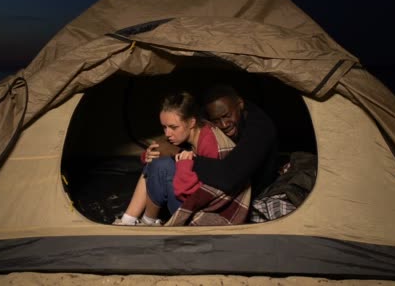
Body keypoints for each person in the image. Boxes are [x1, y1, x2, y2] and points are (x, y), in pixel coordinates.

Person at [113, 91, 235, 225]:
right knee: (158, 163)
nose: (167, 133)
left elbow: (195, 193)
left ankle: (147, 222)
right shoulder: (190, 132)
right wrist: (147, 155)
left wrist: (184, 165)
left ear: (191, 122)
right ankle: (128, 221)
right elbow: (161, 149)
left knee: (162, 166)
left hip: (209, 214)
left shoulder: (209, 142)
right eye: (164, 127)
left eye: (173, 127)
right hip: (192, 196)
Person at [193, 85, 279, 202]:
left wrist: (183, 158)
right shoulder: (212, 116)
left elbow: (228, 177)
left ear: (240, 104)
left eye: (227, 116)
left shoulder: (260, 127)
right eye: (216, 120)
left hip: (258, 193)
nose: (224, 125)